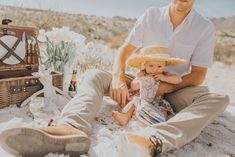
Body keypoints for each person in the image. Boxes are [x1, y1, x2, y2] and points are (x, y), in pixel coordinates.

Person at [0, 0, 230, 157]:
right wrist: (119, 78)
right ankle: (70, 127)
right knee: (94, 75)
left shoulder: (204, 27)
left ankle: (152, 140)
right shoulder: (151, 15)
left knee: (218, 99)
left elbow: (198, 75)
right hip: (138, 80)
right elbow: (124, 50)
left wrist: (162, 87)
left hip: (175, 88)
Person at [112, 46, 185, 126]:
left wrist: (165, 78)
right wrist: (142, 80)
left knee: (163, 109)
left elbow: (179, 80)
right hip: (141, 98)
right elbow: (133, 86)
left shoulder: (164, 74)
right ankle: (125, 117)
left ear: (164, 66)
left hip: (156, 100)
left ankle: (158, 121)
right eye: (151, 66)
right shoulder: (142, 74)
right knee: (133, 102)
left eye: (159, 66)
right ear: (145, 65)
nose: (155, 69)